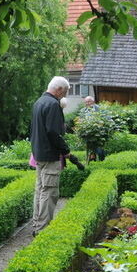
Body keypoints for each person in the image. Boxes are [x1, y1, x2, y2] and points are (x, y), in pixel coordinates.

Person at [30, 76, 71, 233]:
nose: (65, 96)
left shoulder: (39, 102)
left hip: (39, 153)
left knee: (40, 191)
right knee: (50, 192)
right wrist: (65, 150)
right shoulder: (53, 104)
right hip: (49, 154)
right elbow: (54, 132)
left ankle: (37, 224)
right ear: (59, 89)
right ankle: (43, 229)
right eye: (65, 92)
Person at [80, 96, 106, 161]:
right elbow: (80, 119)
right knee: (90, 149)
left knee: (100, 150)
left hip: (99, 132)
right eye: (86, 102)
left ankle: (101, 161)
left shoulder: (99, 109)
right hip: (87, 133)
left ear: (93, 102)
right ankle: (91, 159)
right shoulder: (83, 110)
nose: (87, 103)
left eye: (89, 101)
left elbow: (104, 118)